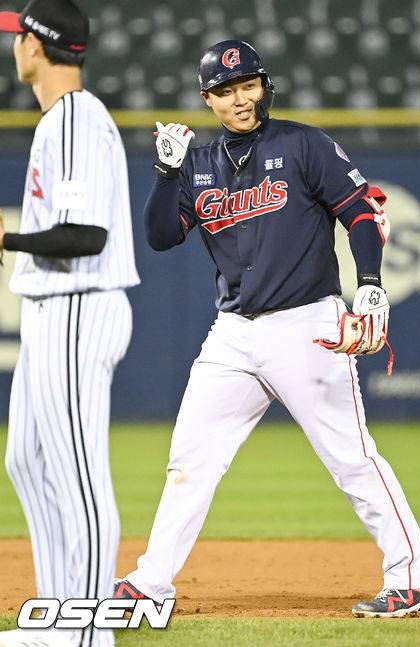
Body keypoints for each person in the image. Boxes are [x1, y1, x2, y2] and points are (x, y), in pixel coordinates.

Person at [114, 39, 420, 619]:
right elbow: (161, 237)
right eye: (226, 91)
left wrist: (370, 284)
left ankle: (413, 576)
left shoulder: (302, 143)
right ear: (207, 99)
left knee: (351, 458)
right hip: (232, 334)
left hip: (307, 323)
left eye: (249, 85)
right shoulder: (199, 164)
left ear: (264, 86)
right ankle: (150, 583)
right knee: (189, 460)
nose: (241, 98)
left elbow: (361, 211)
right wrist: (165, 174)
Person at [0, 0, 140, 645]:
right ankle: (58, 618)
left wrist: (8, 239)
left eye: (17, 36)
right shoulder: (60, 119)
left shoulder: (78, 119)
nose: (13, 46)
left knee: (79, 478)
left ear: (36, 45)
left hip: (80, 305)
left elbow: (86, 236)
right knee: (27, 460)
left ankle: (86, 633)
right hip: (53, 308)